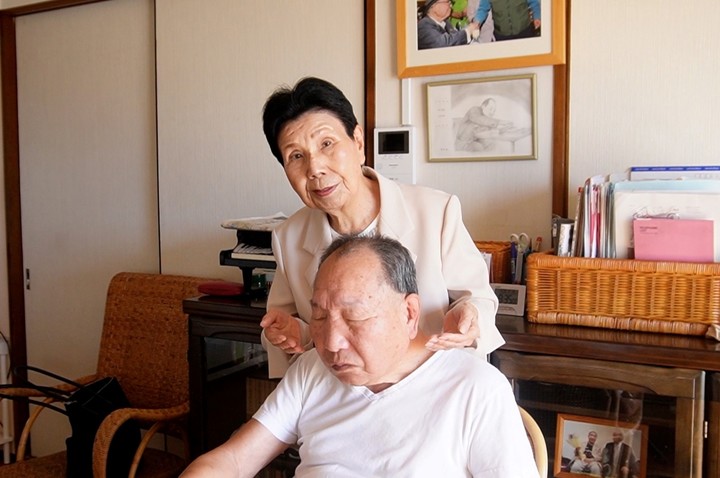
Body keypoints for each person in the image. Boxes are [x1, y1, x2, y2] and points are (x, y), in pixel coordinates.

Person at [180, 235, 537, 477]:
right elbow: (235, 460)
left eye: (354, 317)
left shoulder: (475, 389)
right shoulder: (311, 371)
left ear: (409, 314)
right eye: (319, 316)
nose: (331, 342)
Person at [260, 77, 504, 378]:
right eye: (296, 156)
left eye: (326, 144)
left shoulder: (436, 212)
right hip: (344, 395)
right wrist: (291, 332)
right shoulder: (288, 238)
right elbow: (286, 323)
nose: (315, 168)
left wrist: (471, 316)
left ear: (358, 142)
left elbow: (478, 299)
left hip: (431, 386)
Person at [473, 0, 541, 41]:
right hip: (502, 37)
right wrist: (477, 22)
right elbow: (483, 9)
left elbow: (534, 3)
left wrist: (537, 17)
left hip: (525, 32)